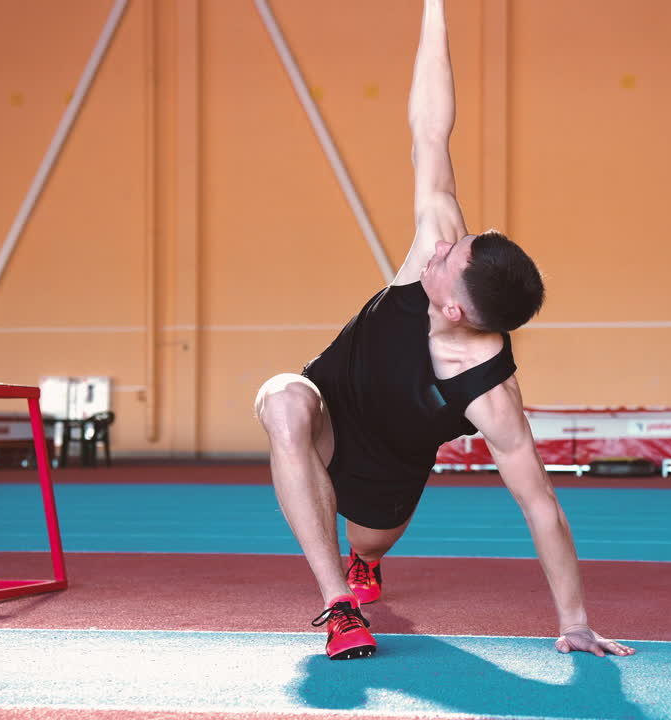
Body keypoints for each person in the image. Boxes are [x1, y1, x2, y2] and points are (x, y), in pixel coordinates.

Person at [254, 0, 635, 662]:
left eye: (446, 259)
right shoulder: (438, 242)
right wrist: (436, 9)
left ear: (456, 310)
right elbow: (431, 129)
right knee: (284, 405)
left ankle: (365, 562)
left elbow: (541, 505)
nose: (435, 248)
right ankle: (340, 606)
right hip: (326, 410)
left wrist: (574, 622)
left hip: (389, 470)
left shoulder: (489, 393)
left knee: (369, 540)